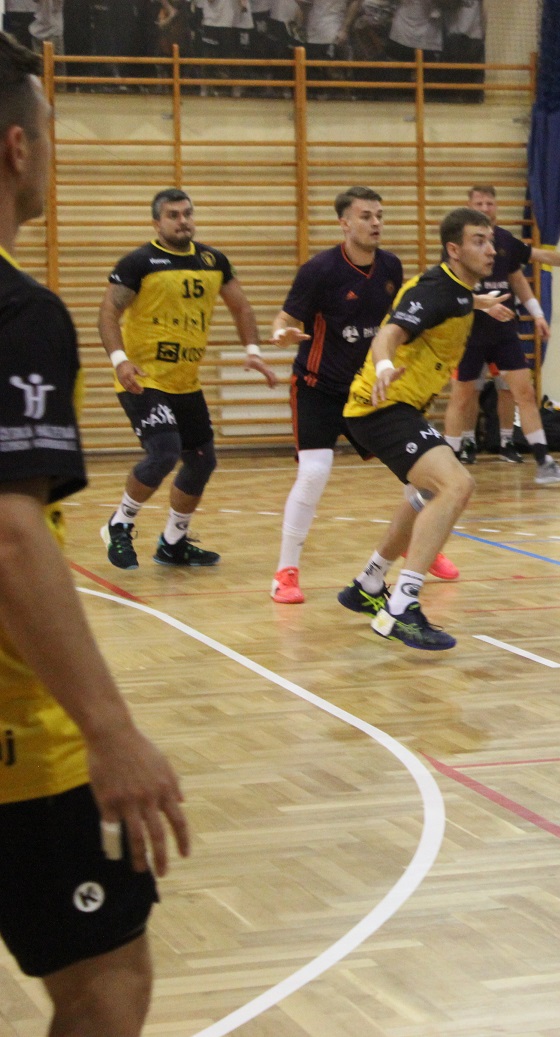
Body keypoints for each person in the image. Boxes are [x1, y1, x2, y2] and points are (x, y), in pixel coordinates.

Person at [0, 34, 191, 1035]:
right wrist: (109, 728)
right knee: (106, 982)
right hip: (20, 751)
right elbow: (7, 535)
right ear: (17, 147)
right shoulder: (17, 312)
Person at [265, 186, 460, 604]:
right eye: (366, 216)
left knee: (419, 473)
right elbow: (284, 317)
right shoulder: (319, 270)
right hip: (317, 388)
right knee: (314, 472)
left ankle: (418, 544)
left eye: (379, 216)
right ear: (344, 223)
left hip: (368, 389)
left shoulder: (391, 267)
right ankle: (285, 572)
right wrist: (281, 333)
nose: (375, 223)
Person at [337, 207, 511, 650]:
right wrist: (385, 366)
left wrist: (481, 304)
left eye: (490, 240)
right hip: (381, 407)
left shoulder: (459, 290)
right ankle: (402, 607)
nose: (490, 249)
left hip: (399, 408)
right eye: (478, 241)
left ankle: (369, 584)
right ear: (453, 249)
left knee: (425, 494)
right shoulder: (434, 289)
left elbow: (455, 302)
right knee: (457, 485)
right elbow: (389, 334)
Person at [98, 188, 277, 571]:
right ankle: (120, 523)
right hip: (144, 379)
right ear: (157, 223)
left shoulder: (212, 261)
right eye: (174, 215)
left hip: (186, 383)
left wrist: (253, 351)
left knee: (201, 461)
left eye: (187, 214)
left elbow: (241, 306)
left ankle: (173, 543)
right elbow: (108, 312)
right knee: (164, 452)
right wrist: (120, 361)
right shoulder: (139, 262)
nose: (183, 221)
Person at [444, 184, 560, 482]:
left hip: (504, 331)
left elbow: (532, 263)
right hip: (469, 332)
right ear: (468, 207)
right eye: (479, 203)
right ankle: (449, 464)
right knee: (462, 396)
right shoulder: (458, 246)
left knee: (524, 393)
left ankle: (544, 462)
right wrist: (483, 306)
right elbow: (451, 290)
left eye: (490, 203)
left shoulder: (505, 241)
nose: (485, 208)